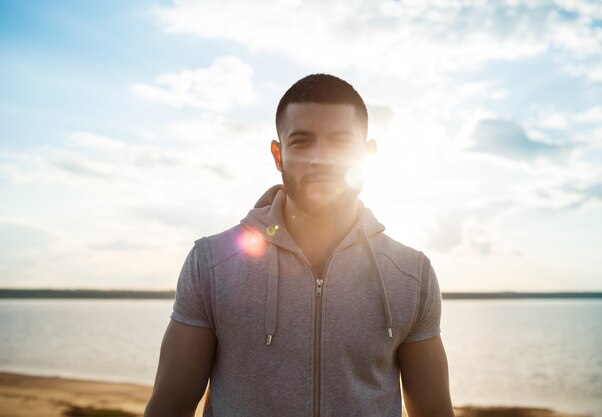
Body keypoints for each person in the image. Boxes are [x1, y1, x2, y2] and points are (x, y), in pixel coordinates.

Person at [144, 74, 455, 417]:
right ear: (278, 154)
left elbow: (434, 412)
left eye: (340, 142)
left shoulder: (411, 274)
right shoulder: (212, 263)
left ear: (368, 155)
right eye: (302, 141)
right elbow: (170, 406)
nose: (321, 158)